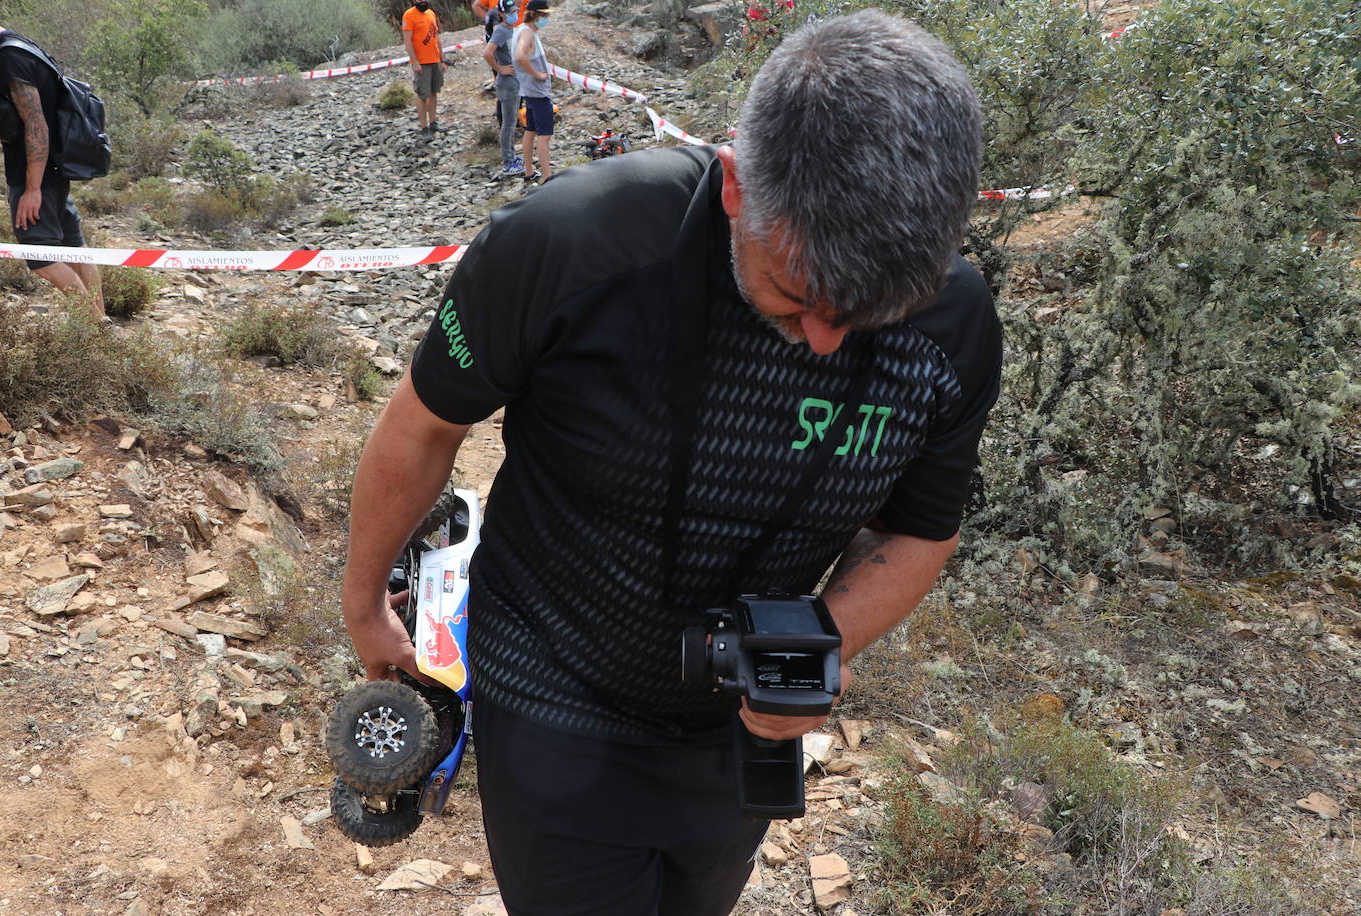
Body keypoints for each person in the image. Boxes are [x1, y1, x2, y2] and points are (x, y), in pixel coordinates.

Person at [341, 10, 999, 916]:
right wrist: (365, 600)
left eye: (867, 315)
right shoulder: (575, 243)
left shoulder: (954, 330)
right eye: (798, 295)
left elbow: (920, 533)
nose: (823, 341)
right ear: (735, 186)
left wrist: (810, 653)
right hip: (551, 684)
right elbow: (423, 425)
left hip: (735, 732)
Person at [0, 18, 105, 321]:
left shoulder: (8, 57)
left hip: (36, 176)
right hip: (55, 170)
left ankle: (97, 328)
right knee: (74, 249)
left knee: (42, 260)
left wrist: (32, 189)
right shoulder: (22, 46)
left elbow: (36, 123)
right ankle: (100, 323)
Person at [513, 0, 553, 184]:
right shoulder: (527, 33)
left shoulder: (522, 30)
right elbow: (520, 56)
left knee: (531, 130)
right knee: (544, 136)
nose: (545, 19)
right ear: (534, 14)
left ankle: (529, 171)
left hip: (529, 91)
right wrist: (536, 74)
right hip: (538, 92)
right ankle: (547, 176)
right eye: (543, 16)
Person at [483, 0, 524, 176]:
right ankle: (508, 162)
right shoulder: (500, 31)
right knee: (508, 124)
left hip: (514, 83)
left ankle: (512, 157)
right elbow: (487, 53)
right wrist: (500, 69)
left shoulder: (511, 30)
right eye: (509, 12)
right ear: (501, 14)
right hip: (507, 84)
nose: (513, 13)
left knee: (512, 121)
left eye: (515, 10)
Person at [401, 0, 446, 138]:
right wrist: (415, 61)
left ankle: (433, 122)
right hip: (422, 63)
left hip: (435, 60)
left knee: (434, 92)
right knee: (422, 95)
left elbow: (436, 38)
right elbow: (407, 41)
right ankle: (424, 127)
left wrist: (442, 59)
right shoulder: (409, 15)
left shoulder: (431, 14)